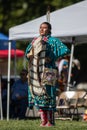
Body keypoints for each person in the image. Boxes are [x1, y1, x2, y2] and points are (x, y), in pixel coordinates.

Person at [25, 22, 70, 126]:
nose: (42, 29)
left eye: (44, 28)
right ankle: (43, 120)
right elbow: (27, 53)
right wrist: (30, 55)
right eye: (40, 27)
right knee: (38, 93)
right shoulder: (35, 40)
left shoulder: (53, 41)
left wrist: (53, 57)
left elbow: (65, 50)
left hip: (49, 70)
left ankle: (50, 121)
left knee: (48, 93)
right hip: (36, 71)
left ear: (49, 30)